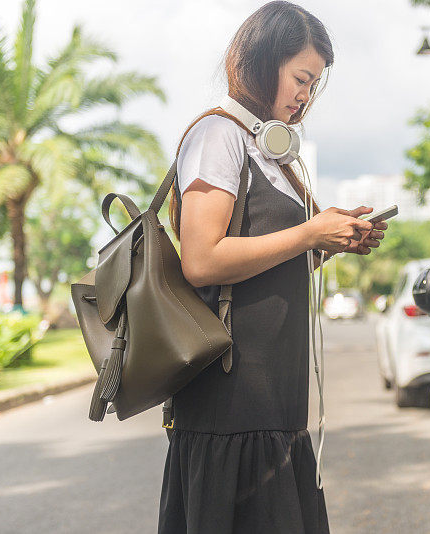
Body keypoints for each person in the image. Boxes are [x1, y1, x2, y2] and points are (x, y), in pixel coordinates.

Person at [158, 2, 388, 532]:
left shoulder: (272, 152)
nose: (306, 95)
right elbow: (201, 259)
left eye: (314, 85)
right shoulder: (219, 136)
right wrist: (309, 232)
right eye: (301, 78)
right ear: (263, 61)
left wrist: (331, 242)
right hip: (231, 400)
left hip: (275, 402)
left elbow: (269, 262)